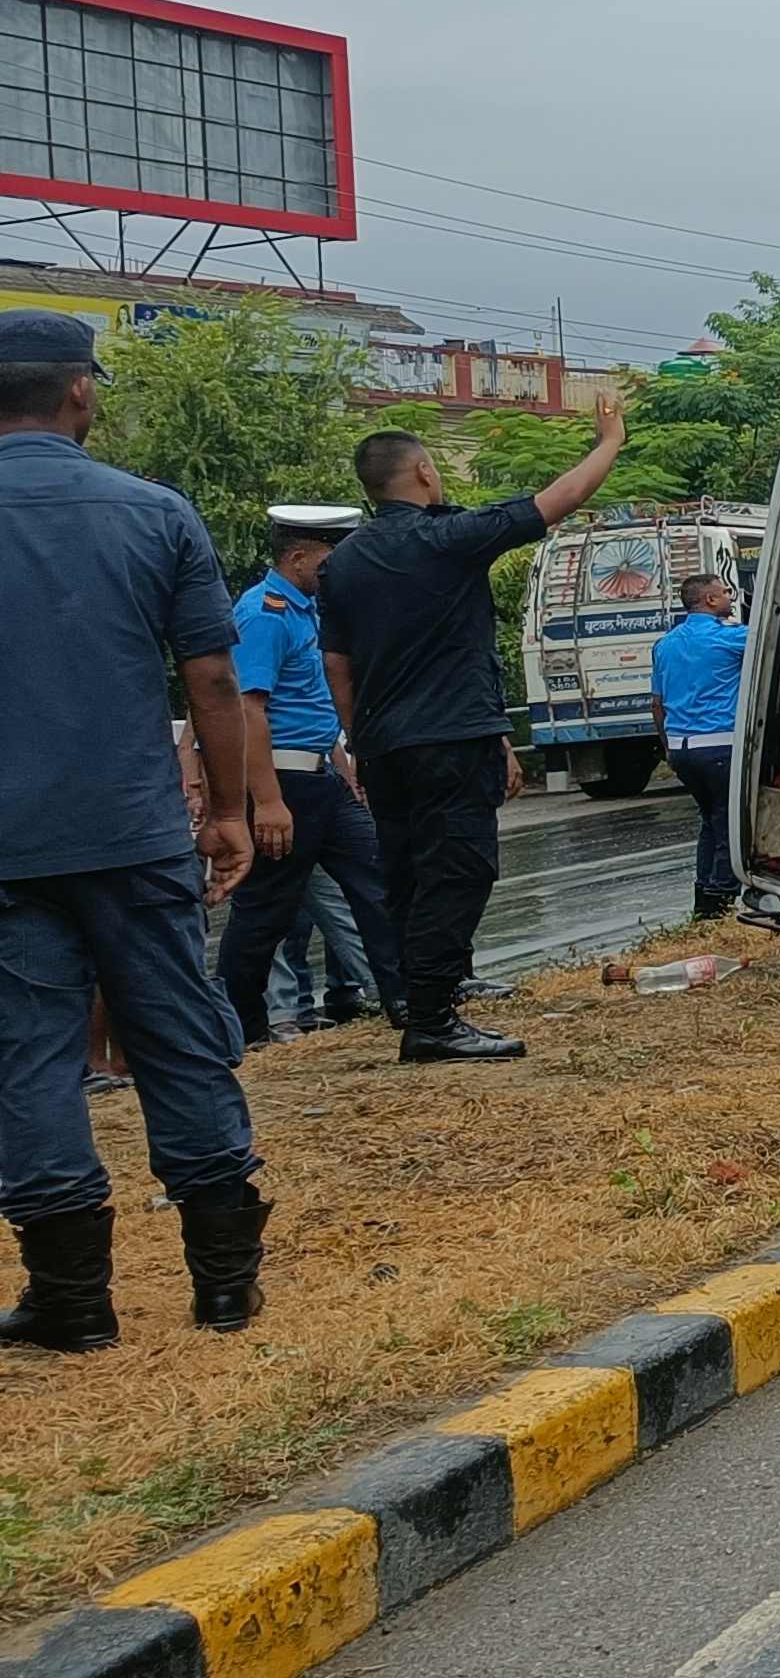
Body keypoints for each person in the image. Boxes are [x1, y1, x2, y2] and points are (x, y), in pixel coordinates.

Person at [0, 307, 270, 1348]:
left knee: (27, 1058)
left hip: (11, 850)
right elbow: (211, 675)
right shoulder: (155, 514)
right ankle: (223, 1288)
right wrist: (234, 811)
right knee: (175, 1040)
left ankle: (72, 1304)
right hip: (133, 829)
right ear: (78, 391)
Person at [321, 396, 627, 1063]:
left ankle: (422, 996)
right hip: (447, 741)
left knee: (407, 875)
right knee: (459, 870)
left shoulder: (341, 563)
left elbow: (337, 666)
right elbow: (555, 501)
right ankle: (432, 1020)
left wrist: (362, 740)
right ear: (425, 472)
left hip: (385, 744)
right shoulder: (446, 539)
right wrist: (609, 442)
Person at [212, 506, 404, 1048]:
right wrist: (268, 803)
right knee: (265, 910)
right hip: (282, 784)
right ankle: (241, 1029)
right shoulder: (265, 614)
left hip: (323, 778)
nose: (335, 573)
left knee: (378, 879)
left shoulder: (308, 609)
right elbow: (249, 711)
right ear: (297, 558)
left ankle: (407, 996)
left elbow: (313, 707)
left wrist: (346, 770)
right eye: (328, 562)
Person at [653, 571, 750, 915]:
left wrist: (668, 747)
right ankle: (719, 902)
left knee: (709, 820)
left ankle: (703, 898)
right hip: (721, 744)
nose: (729, 598)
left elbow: (657, 704)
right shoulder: (732, 638)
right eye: (725, 593)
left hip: (681, 749)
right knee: (730, 824)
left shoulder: (665, 644)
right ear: (710, 600)